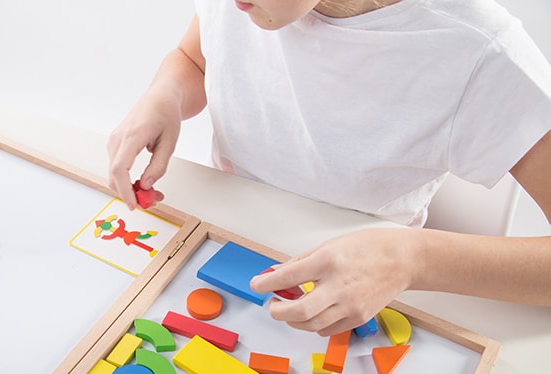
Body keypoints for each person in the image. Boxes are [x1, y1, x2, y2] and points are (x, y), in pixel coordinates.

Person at [107, 0, 551, 336]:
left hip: (351, 298)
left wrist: (411, 259)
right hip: (217, 249)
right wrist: (165, 94)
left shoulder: (484, 55)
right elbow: (195, 57)